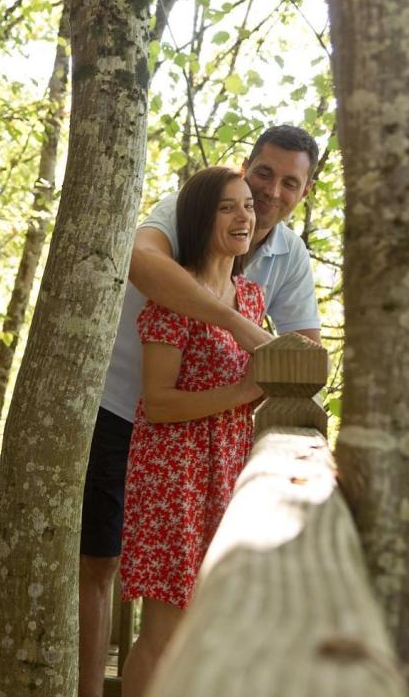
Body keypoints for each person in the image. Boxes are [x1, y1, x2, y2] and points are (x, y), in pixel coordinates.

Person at [78, 125, 322, 697]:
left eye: (290, 183)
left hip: (217, 457)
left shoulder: (281, 260)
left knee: (199, 612)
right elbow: (142, 264)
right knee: (101, 564)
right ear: (245, 167)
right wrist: (243, 336)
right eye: (263, 174)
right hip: (125, 413)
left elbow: (304, 354)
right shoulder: (190, 207)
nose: (270, 192)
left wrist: (274, 375)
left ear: (305, 191)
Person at [119, 166, 264, 696]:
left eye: (248, 205)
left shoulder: (251, 298)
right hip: (173, 476)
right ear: (201, 218)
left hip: (227, 471)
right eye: (227, 207)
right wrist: (244, 392)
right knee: (166, 631)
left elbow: (254, 387)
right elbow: (158, 404)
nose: (243, 216)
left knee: (209, 624)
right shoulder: (175, 296)